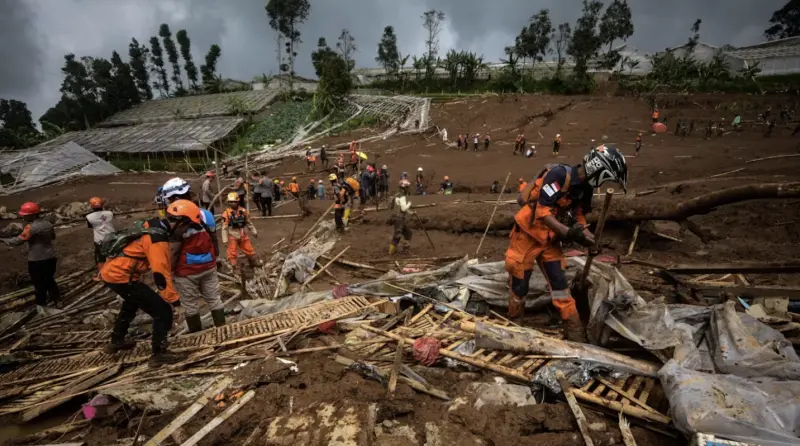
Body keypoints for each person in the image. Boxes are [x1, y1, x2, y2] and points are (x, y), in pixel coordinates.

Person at [505, 145, 628, 342]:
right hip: (527, 236)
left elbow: (578, 216)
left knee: (561, 286)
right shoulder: (559, 175)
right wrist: (569, 233)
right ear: (598, 170)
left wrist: (589, 239)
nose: (604, 182)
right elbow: (542, 212)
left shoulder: (586, 188)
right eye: (606, 177)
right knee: (519, 286)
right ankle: (514, 328)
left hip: (549, 239)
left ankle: (575, 334)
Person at [99, 210, 188, 364]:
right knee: (162, 311)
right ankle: (158, 354)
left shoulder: (153, 224)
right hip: (122, 277)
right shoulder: (157, 240)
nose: (185, 232)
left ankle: (116, 340)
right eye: (186, 227)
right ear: (179, 223)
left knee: (131, 303)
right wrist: (175, 302)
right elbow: (161, 275)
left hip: (111, 272)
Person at [167, 200, 225, 334]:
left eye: (173, 218)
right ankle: (222, 329)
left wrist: (170, 271)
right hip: (209, 267)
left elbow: (174, 253)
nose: (171, 221)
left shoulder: (179, 232)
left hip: (187, 272)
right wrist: (215, 257)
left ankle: (196, 335)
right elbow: (214, 242)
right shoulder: (205, 224)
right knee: (214, 299)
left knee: (190, 304)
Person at [2, 202, 60, 307]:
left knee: (39, 284)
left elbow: (17, 241)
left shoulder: (31, 227)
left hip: (37, 260)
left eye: (25, 215)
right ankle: (57, 299)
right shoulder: (48, 224)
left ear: (33, 215)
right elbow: (53, 237)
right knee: (50, 279)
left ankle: (41, 305)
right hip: (50, 257)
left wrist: (3, 240)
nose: (23, 216)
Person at [221, 192, 260, 272]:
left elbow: (249, 222)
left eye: (234, 202)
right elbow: (224, 228)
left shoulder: (243, 211)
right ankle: (234, 266)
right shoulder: (226, 214)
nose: (233, 203)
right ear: (228, 203)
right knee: (232, 252)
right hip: (232, 235)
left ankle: (253, 262)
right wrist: (225, 240)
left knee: (249, 248)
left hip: (243, 233)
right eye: (231, 202)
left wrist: (254, 231)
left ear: (238, 201)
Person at [87, 197, 115, 275]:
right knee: (113, 255)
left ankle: (102, 275)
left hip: (100, 240)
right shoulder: (109, 213)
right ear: (102, 204)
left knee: (100, 258)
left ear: (91, 206)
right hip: (112, 237)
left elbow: (91, 226)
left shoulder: (89, 217)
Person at [389, 179, 414, 255]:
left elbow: (400, 207)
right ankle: (391, 253)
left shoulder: (397, 195)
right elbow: (403, 208)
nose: (408, 188)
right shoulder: (402, 196)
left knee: (408, 233)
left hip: (397, 217)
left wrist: (411, 213)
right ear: (405, 188)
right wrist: (409, 204)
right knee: (397, 236)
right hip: (399, 218)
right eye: (408, 187)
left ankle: (405, 250)